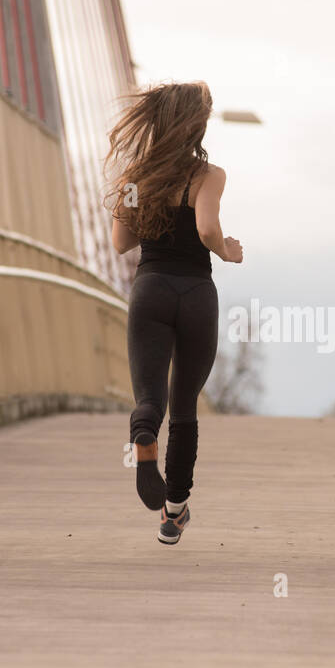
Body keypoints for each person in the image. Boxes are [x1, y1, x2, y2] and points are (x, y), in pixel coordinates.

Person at [107, 81, 243, 544]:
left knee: (151, 398)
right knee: (185, 406)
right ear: (197, 126)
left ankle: (144, 432)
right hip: (196, 296)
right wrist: (226, 250)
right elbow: (206, 228)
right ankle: (173, 511)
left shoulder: (134, 176)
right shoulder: (209, 175)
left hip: (151, 290)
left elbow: (121, 243)